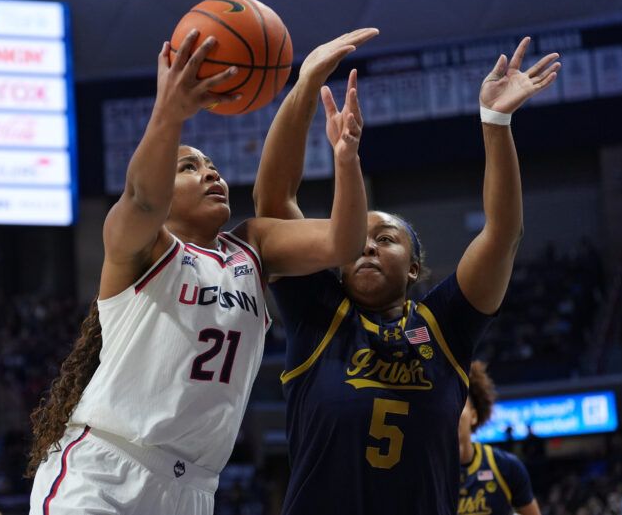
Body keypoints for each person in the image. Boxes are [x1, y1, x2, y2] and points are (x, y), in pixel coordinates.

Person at [26, 27, 369, 515]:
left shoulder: (251, 247)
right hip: (104, 470)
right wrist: (170, 113)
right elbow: (142, 197)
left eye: (213, 167)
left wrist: (329, 124)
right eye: (189, 167)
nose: (211, 173)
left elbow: (344, 241)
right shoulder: (140, 249)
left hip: (192, 490)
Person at [253, 36, 560, 514]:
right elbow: (274, 205)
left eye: (388, 238)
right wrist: (305, 84)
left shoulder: (445, 324)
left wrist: (497, 122)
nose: (369, 245)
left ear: (415, 266)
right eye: (359, 237)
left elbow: (502, 235)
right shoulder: (319, 313)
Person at [458, 361, 540, 515]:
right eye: (447, 407)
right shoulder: (426, 474)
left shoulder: (506, 467)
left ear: (474, 416)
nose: (451, 413)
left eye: (459, 406)